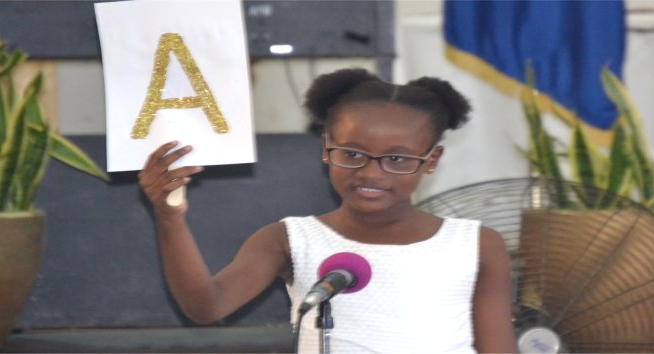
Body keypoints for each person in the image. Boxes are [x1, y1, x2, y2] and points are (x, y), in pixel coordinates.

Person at [138, 68, 517, 353]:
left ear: (431, 159)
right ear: (325, 148)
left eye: (397, 158)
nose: (371, 172)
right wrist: (169, 218)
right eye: (352, 154)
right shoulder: (288, 240)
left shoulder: (475, 245)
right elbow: (207, 306)